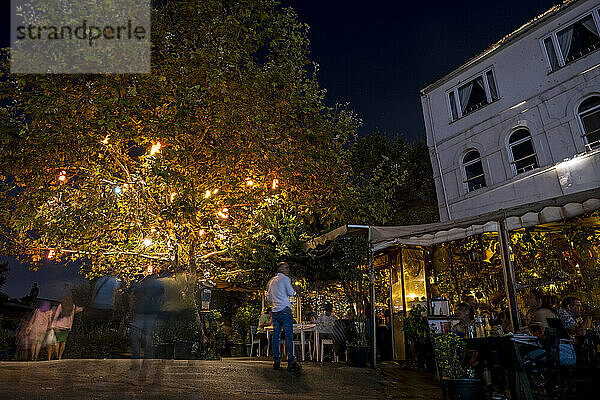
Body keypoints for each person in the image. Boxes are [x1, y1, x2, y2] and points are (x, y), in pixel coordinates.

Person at [266, 262, 301, 374]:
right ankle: (291, 361)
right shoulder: (285, 279)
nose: (288, 269)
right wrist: (293, 290)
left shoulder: (271, 281)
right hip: (284, 311)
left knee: (275, 336)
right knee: (288, 337)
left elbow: (268, 298)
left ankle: (276, 360)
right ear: (280, 269)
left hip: (275, 311)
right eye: (286, 267)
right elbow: (291, 293)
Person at [51, 296, 84, 360]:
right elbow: (79, 309)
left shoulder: (61, 305)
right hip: (67, 327)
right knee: (63, 342)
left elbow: (56, 315)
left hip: (59, 326)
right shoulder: (73, 306)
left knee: (58, 342)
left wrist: (53, 325)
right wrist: (83, 308)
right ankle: (60, 356)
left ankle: (57, 356)